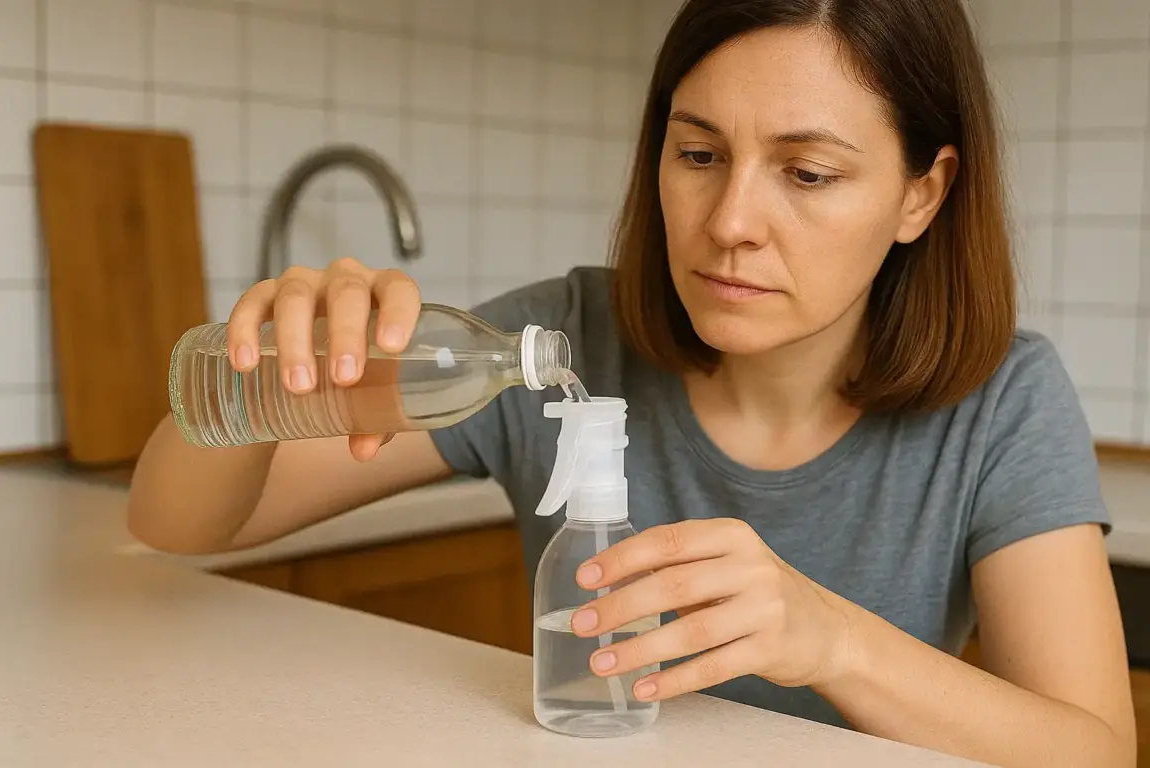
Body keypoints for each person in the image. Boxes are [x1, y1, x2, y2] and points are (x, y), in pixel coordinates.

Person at [127, 0, 1138, 765]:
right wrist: (258, 371)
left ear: (923, 191)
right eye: (698, 152)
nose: (729, 218)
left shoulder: (1003, 402)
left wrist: (832, 640)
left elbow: (1093, 749)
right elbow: (180, 523)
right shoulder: (560, 342)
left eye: (807, 173)